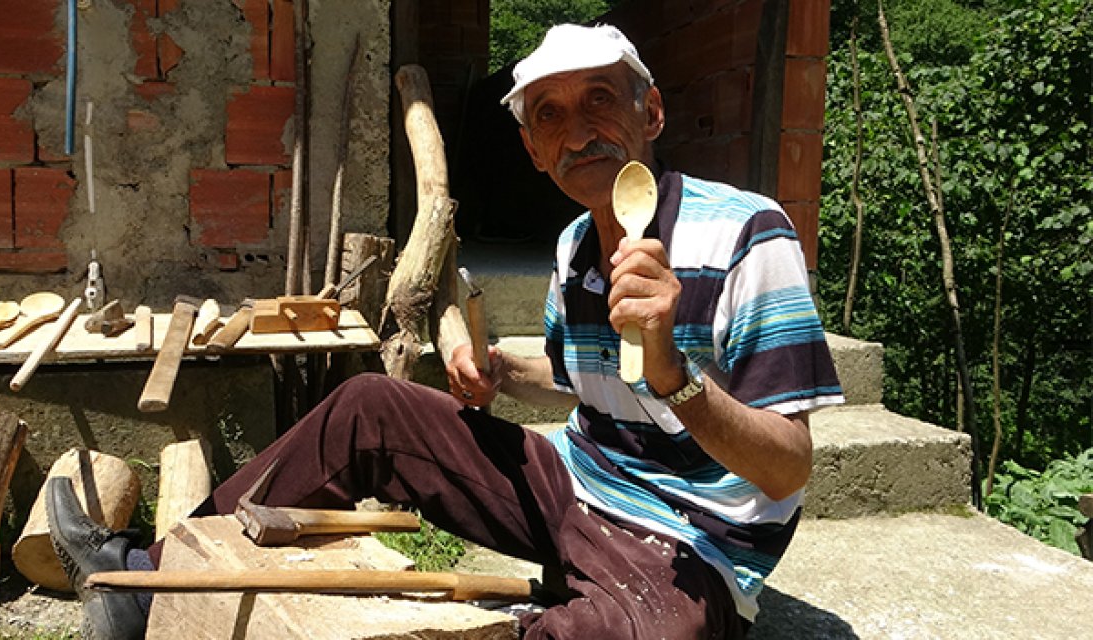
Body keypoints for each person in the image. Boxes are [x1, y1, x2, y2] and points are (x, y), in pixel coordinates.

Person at [48, 23, 844, 639]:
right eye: (550, 117)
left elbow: (785, 469)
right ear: (533, 152)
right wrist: (499, 369)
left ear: (653, 111)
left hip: (685, 551)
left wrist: (675, 374)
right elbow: (579, 374)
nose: (578, 133)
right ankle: (148, 581)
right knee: (370, 405)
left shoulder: (746, 236)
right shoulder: (574, 246)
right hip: (570, 493)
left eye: (602, 99)